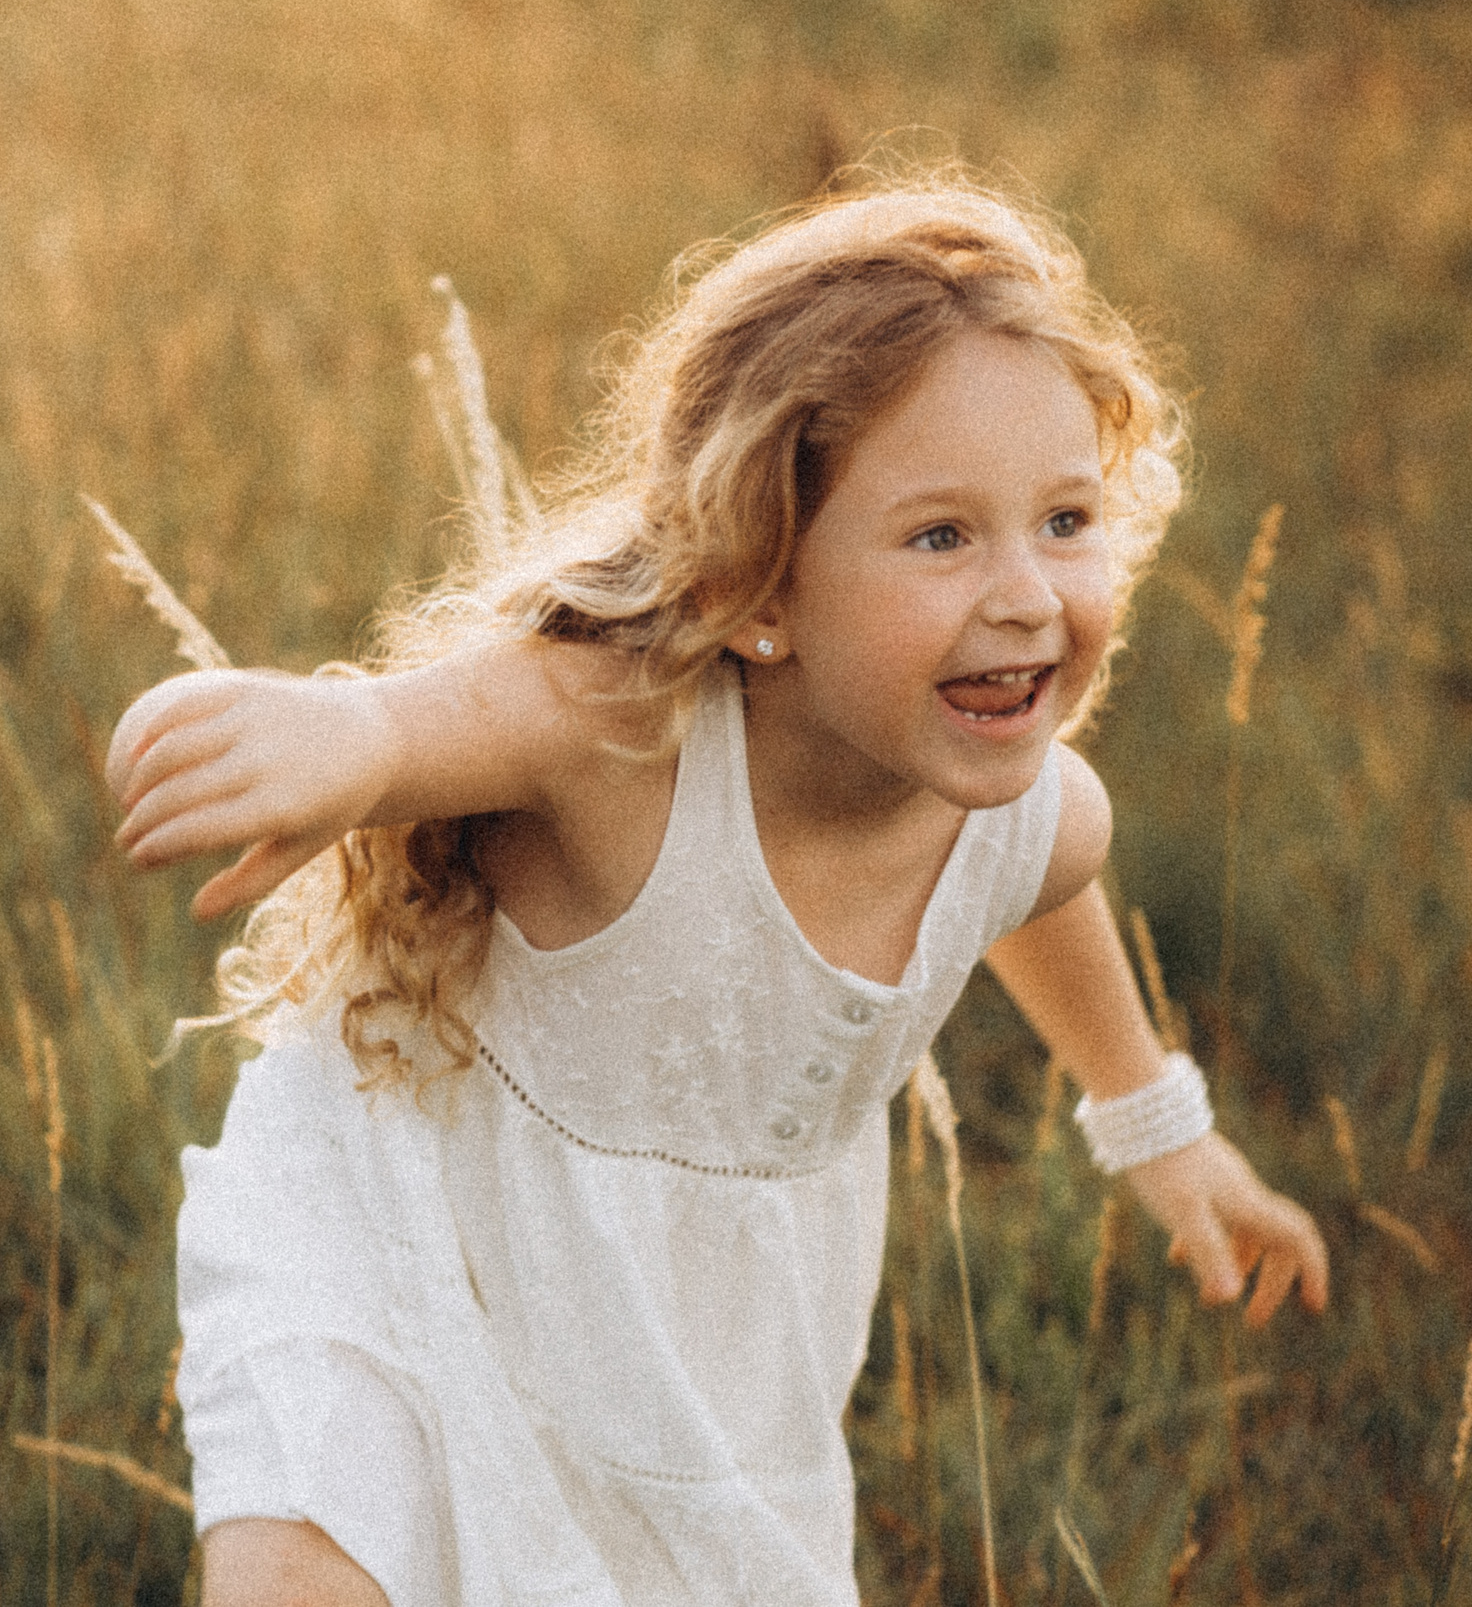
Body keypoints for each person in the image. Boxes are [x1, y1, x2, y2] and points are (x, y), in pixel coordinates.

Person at [104, 174, 1331, 1607]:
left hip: (704, 1345)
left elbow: (1044, 895)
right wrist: (339, 739)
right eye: (942, 536)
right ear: (759, 590)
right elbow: (444, 719)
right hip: (399, 1206)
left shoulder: (1031, 820)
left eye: (1065, 521)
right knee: (317, 1552)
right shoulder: (629, 741)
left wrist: (1159, 1130)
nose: (1027, 594)